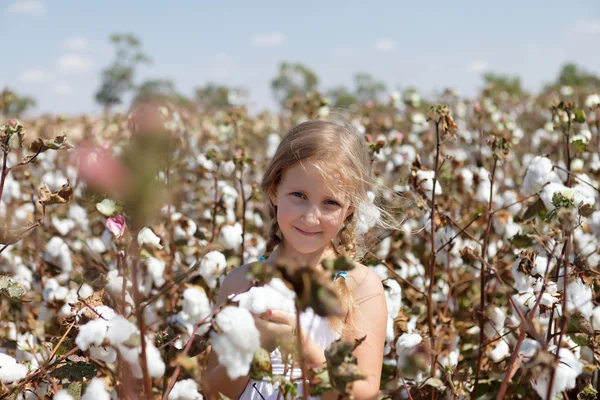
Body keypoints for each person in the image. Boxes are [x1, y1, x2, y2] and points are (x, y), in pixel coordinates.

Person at [204, 120, 393, 400]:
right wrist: (251, 347)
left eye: (330, 203)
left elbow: (362, 393)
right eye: (299, 196)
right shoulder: (240, 283)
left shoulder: (361, 286)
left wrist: (304, 349)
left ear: (349, 209)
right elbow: (214, 391)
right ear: (274, 190)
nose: (310, 217)